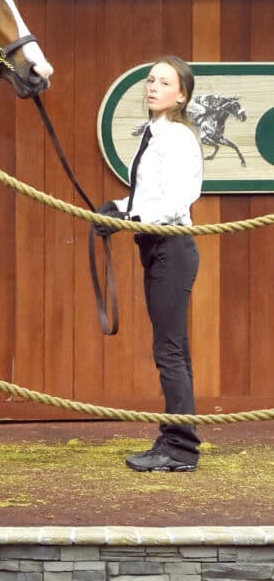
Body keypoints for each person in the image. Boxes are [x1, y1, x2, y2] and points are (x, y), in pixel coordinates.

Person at [96, 56, 203, 472]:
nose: (153, 86)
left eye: (164, 82)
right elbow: (151, 196)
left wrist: (130, 218)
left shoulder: (177, 137)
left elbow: (177, 202)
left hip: (171, 250)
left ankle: (179, 448)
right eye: (150, 80)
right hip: (157, 247)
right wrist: (119, 207)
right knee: (174, 349)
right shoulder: (157, 134)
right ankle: (180, 439)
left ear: (182, 95)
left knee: (169, 351)